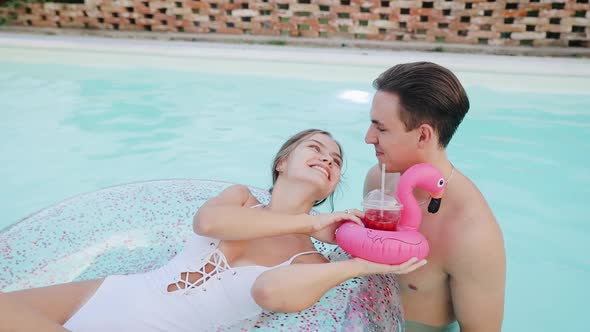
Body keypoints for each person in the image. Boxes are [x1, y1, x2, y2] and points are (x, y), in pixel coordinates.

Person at [0, 129, 424, 332]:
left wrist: (359, 264)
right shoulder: (239, 197)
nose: (328, 160)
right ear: (282, 162)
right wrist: (313, 222)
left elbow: (273, 294)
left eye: (336, 162)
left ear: (331, 187)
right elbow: (207, 223)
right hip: (113, 294)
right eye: (316, 148)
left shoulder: (308, 260)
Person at [363, 62, 506, 332]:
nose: (368, 138)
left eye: (381, 128)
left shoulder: (471, 233)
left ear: (423, 135)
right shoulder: (378, 180)